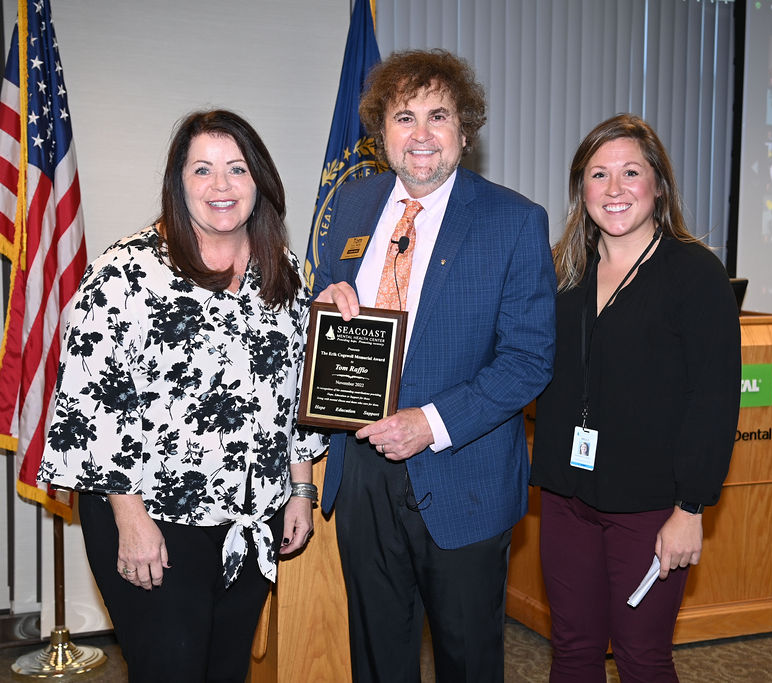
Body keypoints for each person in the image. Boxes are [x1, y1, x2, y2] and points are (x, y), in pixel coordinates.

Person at [37, 109, 326, 682]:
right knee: (169, 670)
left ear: (259, 182)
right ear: (179, 183)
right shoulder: (127, 271)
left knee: (225, 671)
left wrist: (299, 491)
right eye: (202, 170)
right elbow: (88, 407)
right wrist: (131, 518)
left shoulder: (283, 272)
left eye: (237, 169)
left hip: (251, 521)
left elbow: (295, 396)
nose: (221, 186)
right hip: (152, 520)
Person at [314, 49, 556, 682]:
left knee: (468, 660)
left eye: (437, 115)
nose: (420, 134)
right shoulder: (352, 207)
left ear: (465, 132)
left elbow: (530, 360)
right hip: (361, 473)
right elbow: (323, 320)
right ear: (381, 132)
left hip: (462, 474)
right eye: (403, 116)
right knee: (377, 658)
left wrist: (430, 423)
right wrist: (323, 304)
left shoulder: (514, 221)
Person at [530, 114, 741, 682]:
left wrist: (690, 509)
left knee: (641, 657)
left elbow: (714, 399)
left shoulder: (694, 273)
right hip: (567, 496)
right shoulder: (561, 270)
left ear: (659, 185)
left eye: (631, 172)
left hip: (651, 508)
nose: (615, 189)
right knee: (572, 650)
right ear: (582, 190)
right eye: (599, 175)